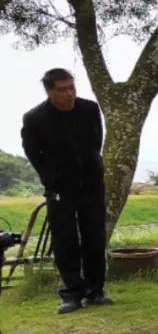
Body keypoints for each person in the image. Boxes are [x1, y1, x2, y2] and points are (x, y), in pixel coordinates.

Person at [20, 68, 110, 314]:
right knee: (65, 241)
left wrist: (93, 168)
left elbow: (96, 143)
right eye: (63, 89)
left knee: (94, 238)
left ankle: (95, 290)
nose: (70, 93)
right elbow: (33, 153)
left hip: (91, 185)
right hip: (60, 189)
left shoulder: (90, 109)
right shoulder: (35, 118)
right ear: (50, 92)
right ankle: (71, 294)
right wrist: (51, 178)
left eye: (72, 86)